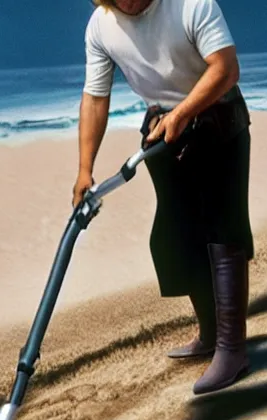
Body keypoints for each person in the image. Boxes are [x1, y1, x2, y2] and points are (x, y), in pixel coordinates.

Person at [72, 0, 254, 395]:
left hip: (221, 120)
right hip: (165, 131)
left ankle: (232, 350)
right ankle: (209, 334)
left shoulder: (192, 4)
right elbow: (95, 97)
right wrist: (85, 169)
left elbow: (226, 68)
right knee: (173, 237)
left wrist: (185, 111)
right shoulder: (100, 27)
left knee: (223, 233)